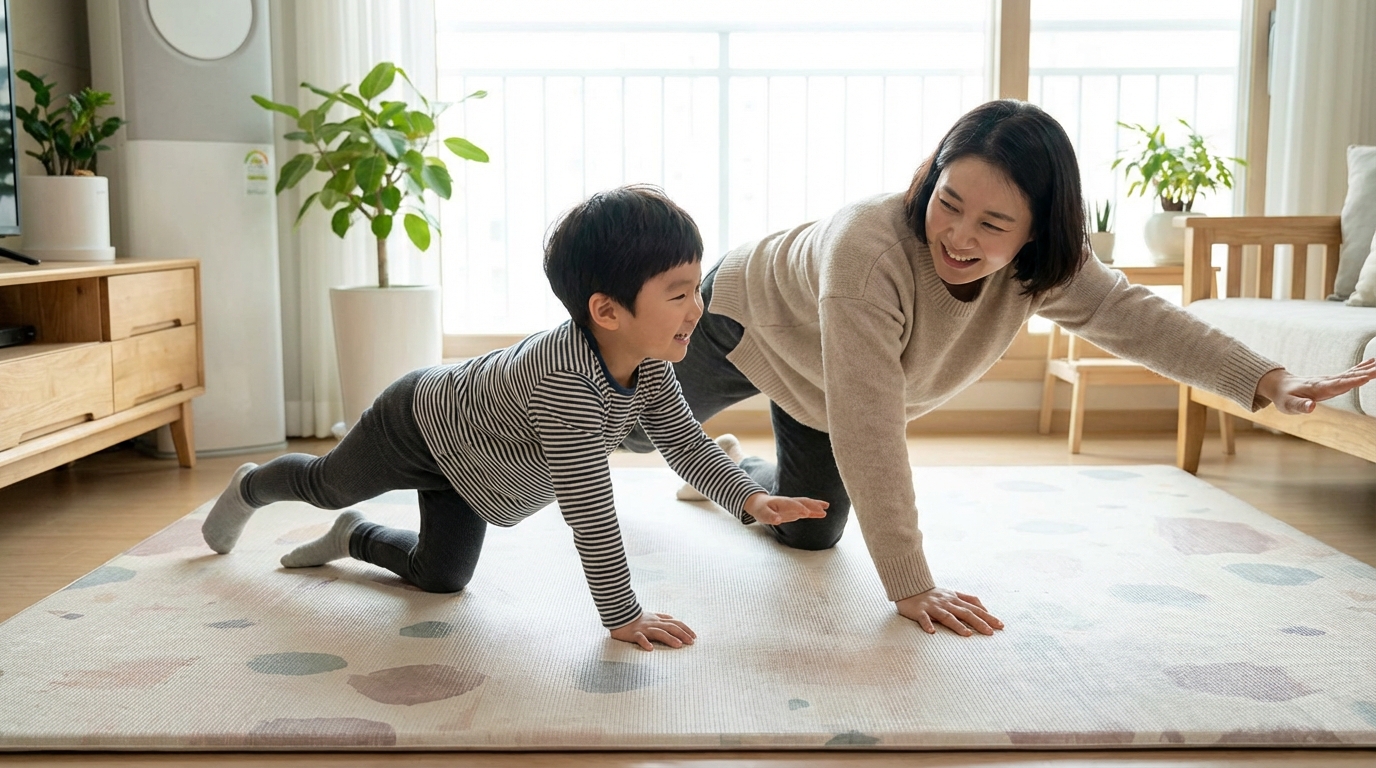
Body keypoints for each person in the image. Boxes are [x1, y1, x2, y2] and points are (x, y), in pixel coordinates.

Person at [624, 99, 1376, 638]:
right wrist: (912, 584)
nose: (958, 235)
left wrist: (1266, 379)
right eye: (947, 203)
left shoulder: (1050, 266)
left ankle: (713, 468)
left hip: (830, 381)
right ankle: (590, 398)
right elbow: (871, 427)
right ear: (931, 177)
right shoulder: (869, 253)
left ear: (1037, 230)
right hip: (747, 319)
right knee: (625, 430)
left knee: (809, 535)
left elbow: (1139, 321)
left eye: (992, 224)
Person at [200, 185, 830, 651]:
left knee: (441, 578)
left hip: (476, 466)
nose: (698, 308)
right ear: (607, 311)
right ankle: (252, 485)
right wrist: (623, 614)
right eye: (678, 293)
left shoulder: (651, 361)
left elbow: (685, 446)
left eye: (697, 287)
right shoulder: (568, 386)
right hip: (415, 426)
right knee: (325, 482)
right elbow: (589, 507)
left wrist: (750, 499)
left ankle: (352, 536)